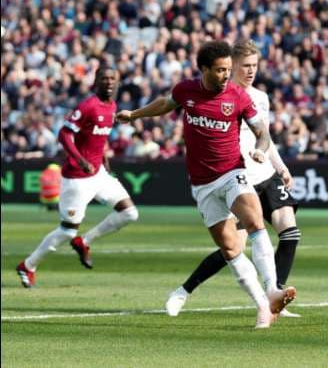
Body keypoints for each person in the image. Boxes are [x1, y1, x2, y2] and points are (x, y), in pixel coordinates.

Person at [116, 41, 295, 329]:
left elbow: (262, 131)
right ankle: (263, 305)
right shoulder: (186, 90)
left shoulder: (238, 96)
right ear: (204, 70)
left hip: (233, 172)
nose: (227, 75)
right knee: (230, 248)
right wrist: (135, 114)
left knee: (254, 220)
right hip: (202, 183)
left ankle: (273, 287)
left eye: (228, 70)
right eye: (221, 70)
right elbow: (165, 104)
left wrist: (261, 150)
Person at [164, 39, 302, 318]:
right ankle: (185, 289)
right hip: (236, 176)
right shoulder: (220, 93)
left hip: (264, 173)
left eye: (255, 66)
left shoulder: (260, 97)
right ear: (231, 66)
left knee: (290, 232)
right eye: (245, 66)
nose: (251, 71)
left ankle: (274, 293)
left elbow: (265, 136)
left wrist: (281, 166)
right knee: (233, 246)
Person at [17, 67, 140, 287]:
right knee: (67, 230)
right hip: (77, 177)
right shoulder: (88, 106)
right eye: (104, 78)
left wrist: (105, 160)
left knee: (130, 213)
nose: (109, 82)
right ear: (96, 81)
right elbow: (64, 134)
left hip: (99, 174)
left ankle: (85, 241)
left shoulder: (112, 106)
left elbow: (98, 138)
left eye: (113, 78)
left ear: (118, 83)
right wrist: (80, 160)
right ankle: (28, 265)